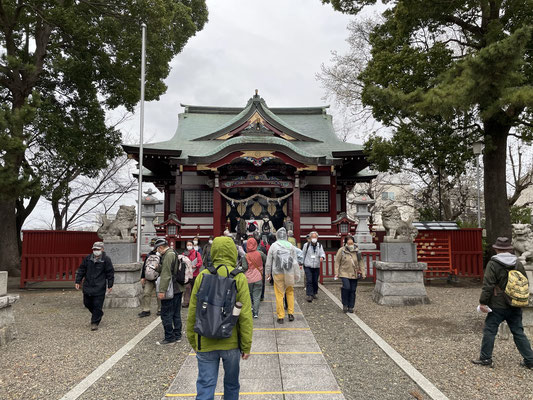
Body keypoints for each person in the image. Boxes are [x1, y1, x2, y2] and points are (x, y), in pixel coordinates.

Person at [186, 236, 253, 400]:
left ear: (213, 251)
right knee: (231, 384)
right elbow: (245, 315)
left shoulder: (202, 276)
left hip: (205, 340)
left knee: (205, 386)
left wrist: (194, 341)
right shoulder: (239, 277)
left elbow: (192, 311)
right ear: (233, 252)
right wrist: (246, 345)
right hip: (231, 341)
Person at [472, 237, 533, 369]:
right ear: (510, 249)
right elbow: (524, 282)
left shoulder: (493, 264)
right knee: (518, 331)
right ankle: (530, 360)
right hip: (515, 302)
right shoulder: (518, 263)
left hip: (497, 304)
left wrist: (483, 302)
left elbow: (488, 286)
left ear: (496, 249)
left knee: (490, 330)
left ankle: (486, 358)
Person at [75, 241, 114, 331]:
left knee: (97, 304)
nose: (96, 251)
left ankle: (95, 322)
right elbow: (81, 270)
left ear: (102, 249)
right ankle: (98, 314)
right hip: (88, 285)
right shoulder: (88, 259)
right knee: (87, 303)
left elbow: (110, 273)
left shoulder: (106, 260)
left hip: (99, 285)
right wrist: (78, 281)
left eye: (98, 249)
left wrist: (110, 284)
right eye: (94, 249)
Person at [265, 228, 300, 324]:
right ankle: (291, 313)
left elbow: (269, 261)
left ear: (277, 236)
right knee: (289, 292)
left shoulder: (273, 246)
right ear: (286, 236)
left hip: (277, 272)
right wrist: (296, 274)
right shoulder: (290, 246)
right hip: (289, 272)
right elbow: (295, 261)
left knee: (279, 294)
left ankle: (280, 316)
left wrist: (268, 273)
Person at [155, 238, 185, 345]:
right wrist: (158, 267)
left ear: (161, 247)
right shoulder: (173, 252)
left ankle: (169, 336)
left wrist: (161, 290)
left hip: (170, 288)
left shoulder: (168, 255)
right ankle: (177, 335)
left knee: (166, 313)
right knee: (176, 313)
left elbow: (166, 274)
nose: (158, 251)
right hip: (178, 288)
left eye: (158, 249)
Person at [334, 235, 366, 313]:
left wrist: (363, 273)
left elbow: (361, 262)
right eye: (349, 243)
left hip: (354, 273)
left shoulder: (357, 251)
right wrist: (336, 273)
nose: (350, 244)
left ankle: (351, 306)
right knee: (346, 287)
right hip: (344, 272)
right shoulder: (342, 250)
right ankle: (345, 304)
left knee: (353, 290)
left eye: (351, 242)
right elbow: (337, 261)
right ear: (346, 243)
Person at [242, 237, 265, 318]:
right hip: (258, 277)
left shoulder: (245, 256)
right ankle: (255, 313)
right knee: (257, 296)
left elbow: (244, 267)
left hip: (248, 278)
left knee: (248, 295)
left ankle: (250, 309)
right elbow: (265, 261)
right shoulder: (260, 253)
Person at [139, 238, 161, 317]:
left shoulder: (162, 255)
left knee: (159, 294)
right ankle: (146, 309)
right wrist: (142, 277)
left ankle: (160, 309)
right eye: (151, 245)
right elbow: (144, 266)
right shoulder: (149, 254)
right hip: (148, 278)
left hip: (158, 277)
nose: (152, 247)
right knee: (146, 293)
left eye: (153, 245)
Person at [301, 231, 326, 302]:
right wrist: (301, 263)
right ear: (310, 237)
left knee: (315, 280)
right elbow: (303, 254)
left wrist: (322, 257)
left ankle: (314, 292)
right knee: (309, 280)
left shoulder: (319, 245)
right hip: (308, 265)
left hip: (316, 265)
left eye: (315, 237)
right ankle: (309, 295)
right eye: (312, 237)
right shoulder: (306, 245)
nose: (314, 238)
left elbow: (322, 253)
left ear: (317, 238)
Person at [182, 240, 203, 308]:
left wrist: (196, 266)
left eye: (190, 245)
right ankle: (186, 302)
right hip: (187, 274)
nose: (189, 246)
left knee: (194, 288)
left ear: (193, 245)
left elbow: (200, 262)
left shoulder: (197, 253)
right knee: (187, 288)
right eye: (187, 245)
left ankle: (194, 302)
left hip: (195, 274)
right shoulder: (184, 254)